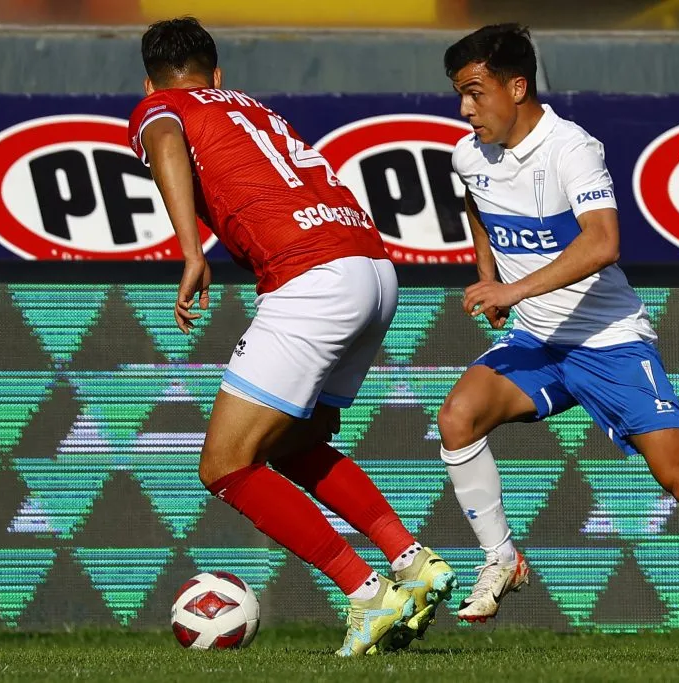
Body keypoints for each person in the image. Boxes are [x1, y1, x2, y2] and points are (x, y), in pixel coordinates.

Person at [437, 23, 679, 650]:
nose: (465, 108)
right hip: (539, 342)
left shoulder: (572, 149)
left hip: (608, 341)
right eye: (459, 93)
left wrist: (510, 290)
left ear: (517, 86)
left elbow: (603, 242)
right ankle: (501, 558)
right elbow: (475, 208)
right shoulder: (467, 156)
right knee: (458, 417)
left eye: (476, 92)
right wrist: (487, 272)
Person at [129, 17, 456, 656]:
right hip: (373, 268)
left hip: (311, 278)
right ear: (218, 75)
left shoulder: (160, 107)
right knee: (296, 444)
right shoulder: (252, 108)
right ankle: (411, 564)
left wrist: (190, 249)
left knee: (225, 464)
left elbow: (165, 133)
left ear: (151, 83)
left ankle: (368, 594)